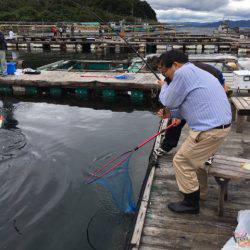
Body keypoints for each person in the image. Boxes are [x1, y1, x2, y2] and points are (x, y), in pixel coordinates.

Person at [157, 50, 231, 214]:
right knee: (195, 162)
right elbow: (193, 104)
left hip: (209, 131)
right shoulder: (197, 72)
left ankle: (191, 203)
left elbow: (168, 100)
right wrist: (171, 114)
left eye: (165, 72)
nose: (165, 76)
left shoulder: (183, 72)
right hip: (219, 127)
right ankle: (200, 194)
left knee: (181, 161)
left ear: (175, 65)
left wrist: (164, 86)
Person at [155, 61, 227, 157]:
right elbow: (173, 98)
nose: (164, 73)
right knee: (174, 123)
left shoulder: (201, 73)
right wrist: (173, 114)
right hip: (190, 98)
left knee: (208, 129)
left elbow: (220, 81)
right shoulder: (174, 74)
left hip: (207, 103)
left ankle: (209, 155)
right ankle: (167, 146)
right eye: (162, 71)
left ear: (176, 65)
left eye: (164, 70)